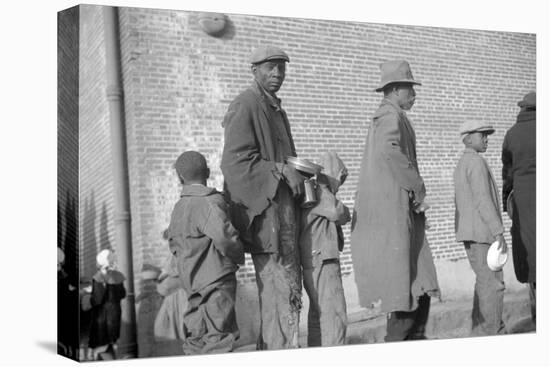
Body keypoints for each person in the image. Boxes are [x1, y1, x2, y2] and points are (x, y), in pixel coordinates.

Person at [220, 45, 306, 350]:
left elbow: (285, 161)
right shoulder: (245, 104)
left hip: (285, 217)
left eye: (281, 67)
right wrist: (280, 169)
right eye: (270, 67)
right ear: (254, 70)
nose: (277, 74)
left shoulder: (276, 109)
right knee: (275, 292)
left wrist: (299, 170)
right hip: (267, 219)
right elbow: (234, 163)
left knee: (288, 293)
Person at [351, 60, 439, 342]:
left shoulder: (393, 115)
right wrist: (417, 186)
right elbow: (391, 151)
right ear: (396, 89)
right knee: (404, 292)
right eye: (410, 88)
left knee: (418, 287)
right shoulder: (390, 117)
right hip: (395, 213)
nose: (414, 94)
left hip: (402, 212)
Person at [167, 151, 244, 355]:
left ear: (179, 177)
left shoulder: (178, 208)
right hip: (216, 280)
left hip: (191, 283)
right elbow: (226, 239)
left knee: (196, 337)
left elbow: (173, 244)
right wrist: (237, 257)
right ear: (208, 172)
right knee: (218, 338)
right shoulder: (209, 202)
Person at [454, 120, 508, 336]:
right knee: (493, 286)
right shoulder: (475, 162)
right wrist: (498, 231)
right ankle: (493, 334)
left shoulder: (463, 162)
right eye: (481, 135)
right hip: (483, 234)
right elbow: (483, 199)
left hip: (472, 233)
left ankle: (479, 334)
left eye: (487, 135)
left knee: (484, 284)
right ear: (467, 138)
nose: (486, 139)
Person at [300, 152, 350, 347]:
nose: (340, 183)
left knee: (318, 318)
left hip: (313, 261)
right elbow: (340, 213)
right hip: (324, 261)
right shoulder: (321, 191)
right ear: (333, 174)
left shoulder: (311, 192)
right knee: (335, 317)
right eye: (340, 177)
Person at [502, 91, 536, 323]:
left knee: (532, 255)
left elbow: (507, 173)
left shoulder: (512, 134)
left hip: (524, 201)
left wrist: (508, 200)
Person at [88, 248, 127, 360]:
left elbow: (97, 299)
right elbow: (123, 294)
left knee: (102, 345)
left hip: (102, 318)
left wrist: (88, 298)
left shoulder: (98, 277)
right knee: (109, 344)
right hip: (115, 315)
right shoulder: (117, 276)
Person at [154, 230, 188, 343]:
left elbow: (173, 278)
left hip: (180, 297)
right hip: (174, 297)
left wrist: (162, 280)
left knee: (184, 328)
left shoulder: (179, 255)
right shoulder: (174, 255)